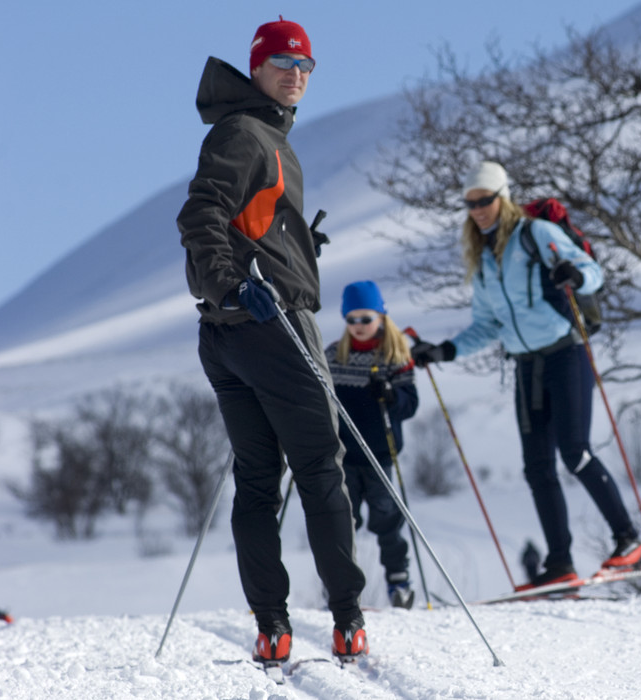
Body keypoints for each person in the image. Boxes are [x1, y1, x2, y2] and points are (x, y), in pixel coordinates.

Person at [176, 17, 368, 664]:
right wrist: (232, 285)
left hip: (226, 334)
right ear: (255, 66)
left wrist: (296, 245)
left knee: (258, 479)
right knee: (320, 468)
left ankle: (272, 627)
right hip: (270, 327)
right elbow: (201, 213)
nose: (295, 74)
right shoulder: (246, 133)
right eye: (283, 62)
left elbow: (243, 220)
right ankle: (348, 619)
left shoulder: (262, 133)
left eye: (305, 65)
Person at [409, 160, 641, 588]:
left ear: (503, 197)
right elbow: (488, 325)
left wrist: (575, 274)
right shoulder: (485, 258)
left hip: (566, 354)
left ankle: (630, 543)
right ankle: (560, 565)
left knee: (574, 452)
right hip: (525, 366)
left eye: (485, 200)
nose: (478, 210)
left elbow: (593, 272)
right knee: (537, 468)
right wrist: (445, 350)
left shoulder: (535, 234)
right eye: (470, 204)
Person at [325, 281, 420, 609]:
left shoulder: (396, 356)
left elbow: (410, 405)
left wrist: (391, 395)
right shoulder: (334, 356)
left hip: (380, 456)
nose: (359, 326)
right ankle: (341, 587)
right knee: (343, 522)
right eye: (351, 319)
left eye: (366, 318)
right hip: (343, 456)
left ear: (381, 316)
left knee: (387, 520)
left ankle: (398, 581)